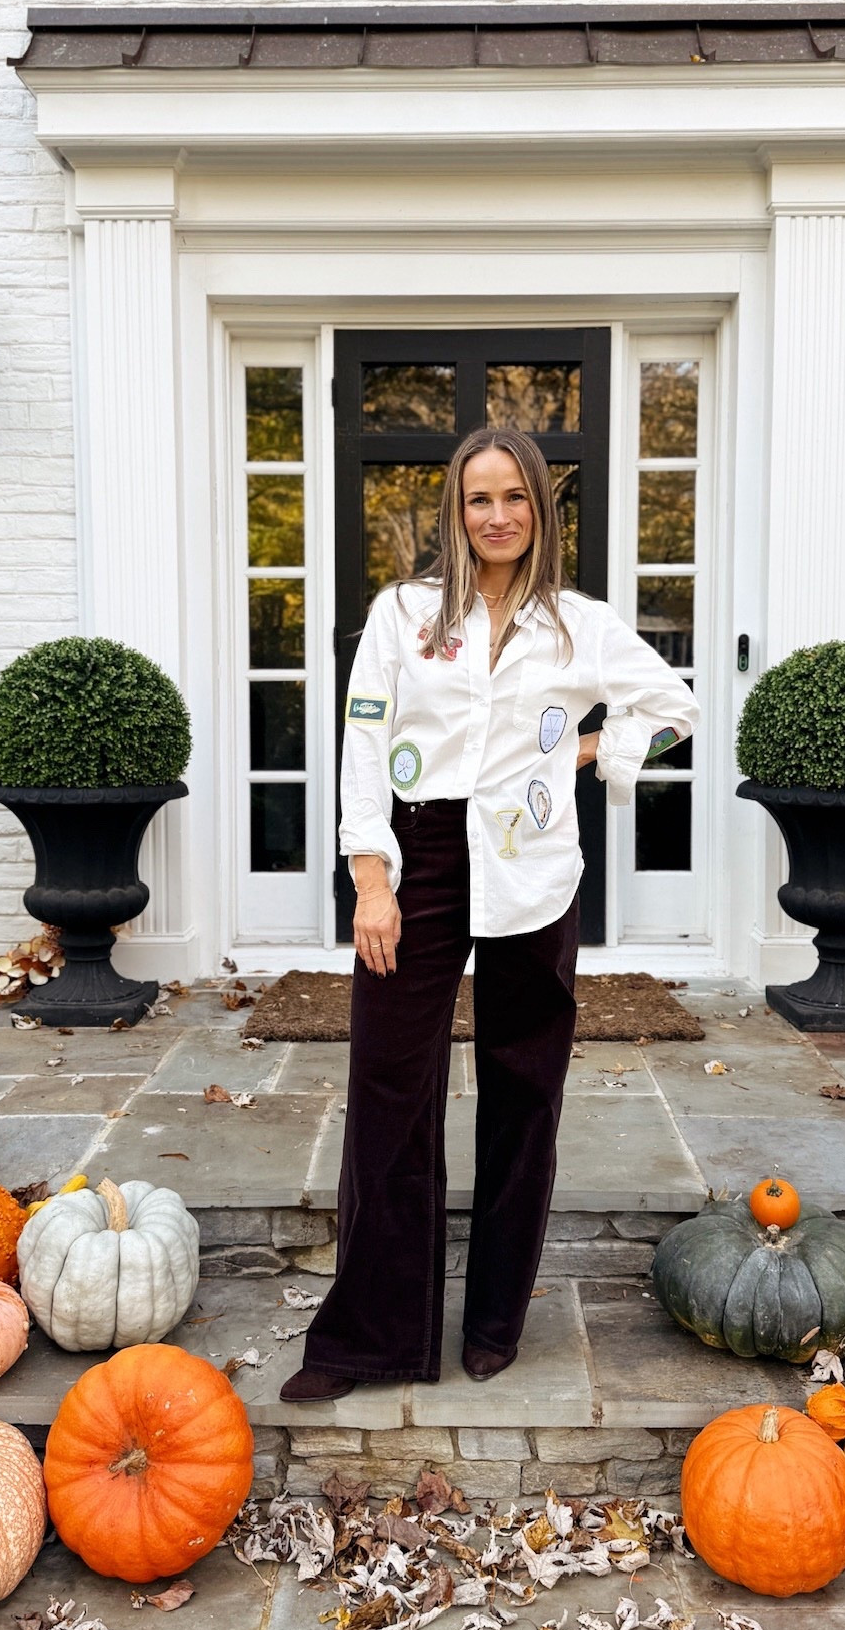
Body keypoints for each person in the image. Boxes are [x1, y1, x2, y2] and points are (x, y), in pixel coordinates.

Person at [281, 427, 699, 1401]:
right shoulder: (403, 613)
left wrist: (585, 757)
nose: (498, 514)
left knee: (523, 1092)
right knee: (389, 1082)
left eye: (515, 496)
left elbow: (673, 707)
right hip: (419, 857)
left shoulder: (579, 624)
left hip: (531, 865)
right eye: (480, 498)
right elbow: (364, 743)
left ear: (540, 509)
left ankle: (496, 1320)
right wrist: (370, 875)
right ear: (455, 511)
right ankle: (371, 1337)